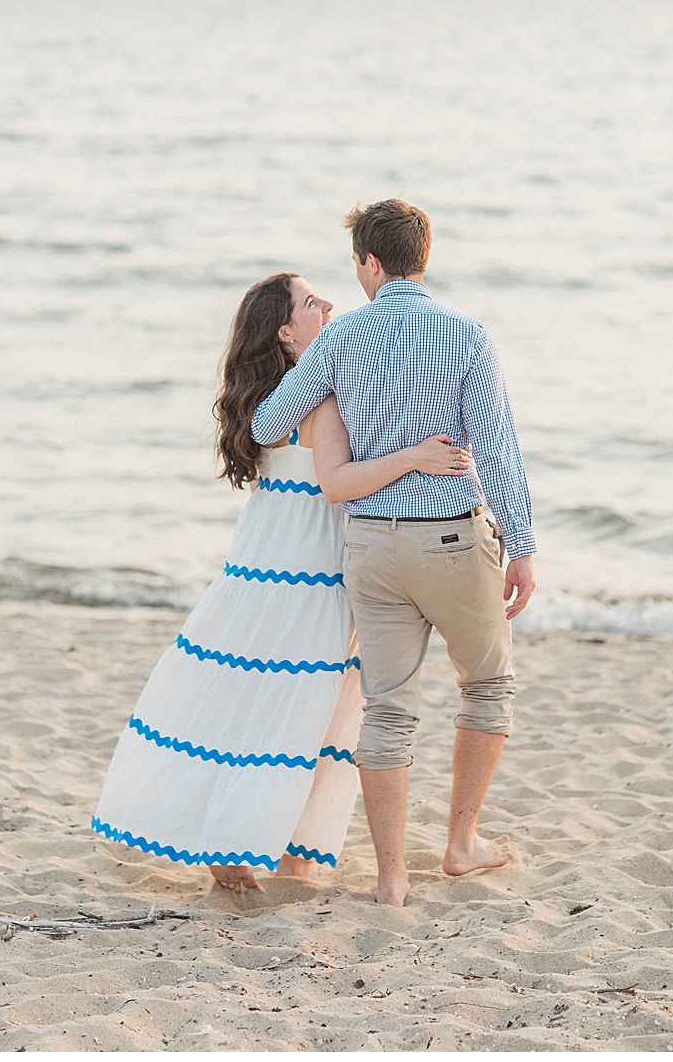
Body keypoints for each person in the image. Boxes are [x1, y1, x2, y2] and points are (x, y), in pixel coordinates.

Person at [94, 272, 472, 892]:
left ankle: (258, 841)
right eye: (309, 301)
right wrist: (414, 457)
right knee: (303, 714)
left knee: (253, 704)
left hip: (261, 568)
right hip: (307, 574)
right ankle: (266, 844)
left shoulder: (275, 391)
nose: (327, 303)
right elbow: (336, 479)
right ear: (286, 331)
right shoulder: (313, 393)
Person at [252, 199, 535, 907]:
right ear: (423, 256)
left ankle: (390, 879)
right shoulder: (467, 335)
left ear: (370, 263)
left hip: (371, 546)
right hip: (451, 541)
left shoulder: (341, 339)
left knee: (387, 710)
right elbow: (496, 451)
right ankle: (462, 846)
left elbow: (268, 421)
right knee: (489, 686)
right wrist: (523, 545)